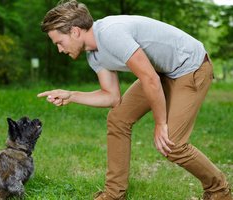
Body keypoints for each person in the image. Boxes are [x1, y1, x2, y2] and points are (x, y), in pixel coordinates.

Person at [38, 0, 232, 199]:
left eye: (59, 43)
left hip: (191, 67)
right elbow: (111, 97)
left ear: (75, 31)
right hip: (161, 73)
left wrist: (160, 123)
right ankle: (114, 194)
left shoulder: (111, 34)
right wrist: (72, 95)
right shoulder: (93, 56)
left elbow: (149, 79)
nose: (60, 50)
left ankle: (220, 191)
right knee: (118, 119)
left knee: (172, 144)